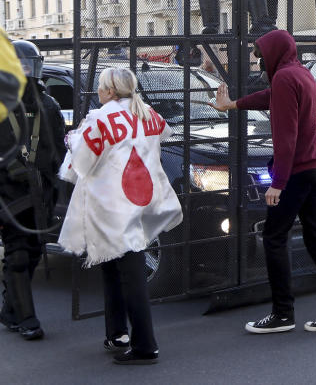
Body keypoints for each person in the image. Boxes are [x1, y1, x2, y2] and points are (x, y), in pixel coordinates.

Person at [212, 31, 316, 333]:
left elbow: (286, 136)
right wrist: (232, 105)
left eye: (261, 54)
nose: (259, 60)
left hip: (297, 172)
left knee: (274, 238)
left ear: (273, 52)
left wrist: (279, 182)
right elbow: (269, 97)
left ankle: (282, 314)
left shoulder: (284, 79)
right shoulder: (299, 73)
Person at [58, 68, 181, 364]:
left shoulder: (99, 118)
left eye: (100, 87)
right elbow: (166, 131)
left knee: (127, 272)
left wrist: (72, 141)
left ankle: (145, 345)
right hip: (142, 199)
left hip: (111, 205)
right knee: (114, 266)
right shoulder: (147, 112)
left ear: (110, 91)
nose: (98, 92)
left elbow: (80, 166)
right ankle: (118, 334)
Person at [0, 41, 64, 341]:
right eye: (21, 65)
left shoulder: (48, 105)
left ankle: (10, 310)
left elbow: (58, 150)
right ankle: (27, 319)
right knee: (18, 255)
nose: (27, 70)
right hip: (9, 192)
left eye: (30, 64)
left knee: (35, 251)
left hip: (42, 191)